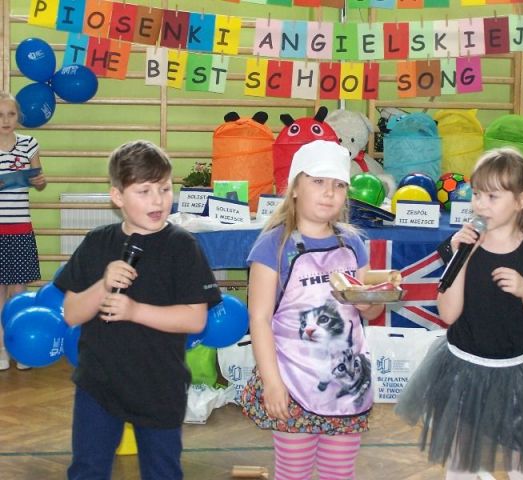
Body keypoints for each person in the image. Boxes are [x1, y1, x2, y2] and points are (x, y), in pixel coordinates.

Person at [395, 148, 523, 480]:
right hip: (463, 369)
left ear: (520, 201)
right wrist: (460, 257)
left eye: (492, 196)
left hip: (515, 373)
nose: (480, 204)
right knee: (461, 458)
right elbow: (448, 314)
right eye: (476, 194)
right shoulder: (460, 245)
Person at [54, 140, 222, 480]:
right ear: (117, 196)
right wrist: (103, 285)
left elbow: (195, 318)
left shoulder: (182, 246)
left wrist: (134, 311)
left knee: (162, 472)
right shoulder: (97, 242)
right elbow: (71, 313)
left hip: (160, 385)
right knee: (87, 469)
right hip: (99, 384)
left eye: (164, 188)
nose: (158, 200)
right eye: (144, 191)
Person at [240, 140, 383, 480]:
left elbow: (370, 311)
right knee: (293, 472)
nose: (329, 192)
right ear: (294, 188)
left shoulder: (353, 244)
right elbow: (259, 319)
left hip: (347, 384)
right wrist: (273, 383)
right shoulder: (274, 245)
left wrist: (369, 302)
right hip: (293, 381)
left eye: (339, 185)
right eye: (318, 181)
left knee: (339, 472)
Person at [0, 92, 47, 371]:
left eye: (11, 114)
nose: (5, 120)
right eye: (0, 115)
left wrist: (40, 181)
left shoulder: (29, 144)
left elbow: (39, 180)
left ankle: (20, 347)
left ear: (19, 116)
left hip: (20, 227)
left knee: (19, 291)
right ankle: (2, 348)